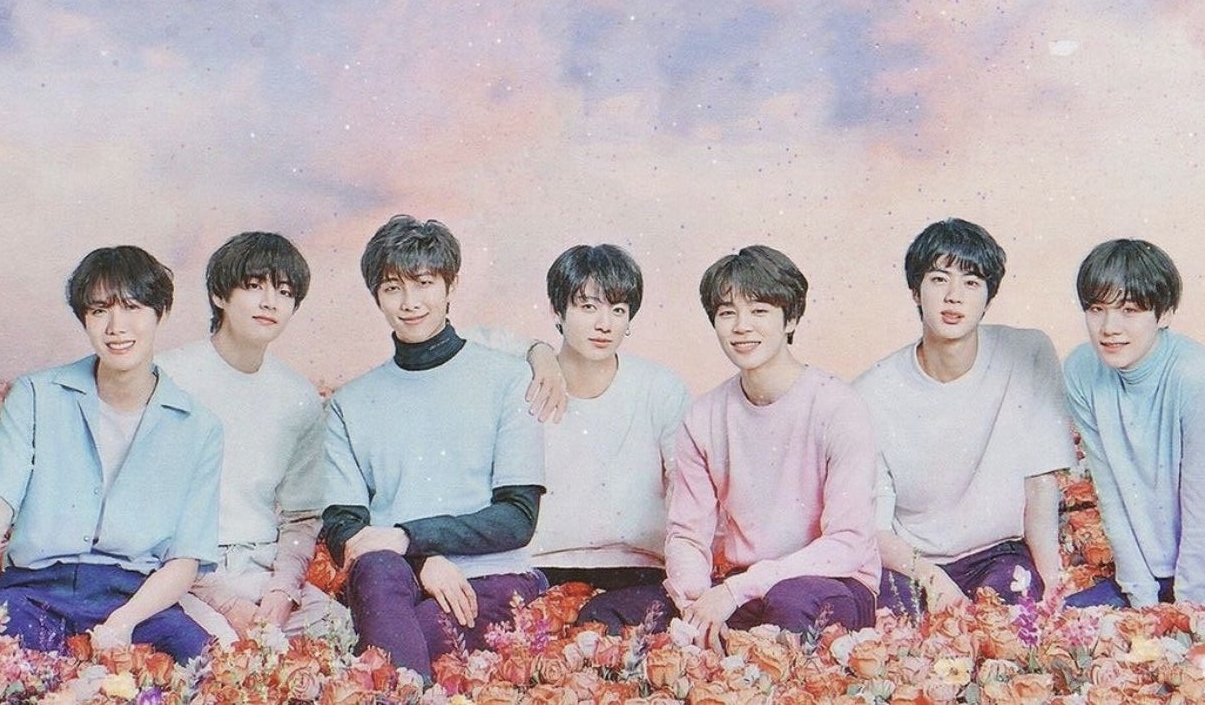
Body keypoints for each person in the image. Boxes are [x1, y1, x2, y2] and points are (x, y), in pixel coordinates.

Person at [0, 246, 222, 663]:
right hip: (34, 593)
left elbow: (186, 558)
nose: (116, 327)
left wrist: (122, 622)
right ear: (84, 317)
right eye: (100, 310)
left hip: (136, 600)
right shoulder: (35, 395)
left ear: (161, 312)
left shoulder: (199, 427)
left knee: (208, 666)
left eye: (133, 307)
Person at [320, 215, 546, 676]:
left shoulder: (507, 379)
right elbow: (343, 527)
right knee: (378, 574)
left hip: (490, 576)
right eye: (392, 288)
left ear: (450, 285)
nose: (410, 303)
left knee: (409, 638)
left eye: (424, 283)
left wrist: (408, 536)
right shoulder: (350, 403)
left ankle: (396, 689)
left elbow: (518, 518)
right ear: (376, 296)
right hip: (392, 577)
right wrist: (420, 558)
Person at [665, 245, 880, 649]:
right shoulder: (702, 416)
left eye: (759, 310)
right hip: (743, 585)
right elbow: (687, 535)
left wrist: (735, 591)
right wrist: (696, 606)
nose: (741, 327)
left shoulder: (838, 407)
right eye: (727, 313)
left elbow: (848, 542)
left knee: (790, 603)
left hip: (834, 582)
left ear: (791, 318)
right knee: (637, 614)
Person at [854, 219, 1074, 613]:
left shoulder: (1027, 354)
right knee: (891, 622)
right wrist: (933, 580)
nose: (954, 296)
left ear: (988, 297)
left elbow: (1040, 484)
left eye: (971, 283)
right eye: (939, 279)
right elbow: (874, 528)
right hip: (913, 562)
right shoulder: (869, 393)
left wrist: (1053, 583)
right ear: (915, 291)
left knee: (1010, 612)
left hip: (998, 554)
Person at [158, 232, 346, 643]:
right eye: (254, 285)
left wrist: (282, 592)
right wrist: (227, 604)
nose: (270, 302)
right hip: (180, 574)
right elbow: (148, 511)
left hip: (261, 571)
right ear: (219, 295)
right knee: (215, 652)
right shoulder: (167, 378)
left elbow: (302, 515)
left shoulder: (298, 397)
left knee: (339, 631)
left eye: (284, 291)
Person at [1063, 239, 1205, 608]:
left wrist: (1187, 610)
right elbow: (1110, 489)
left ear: (1166, 314)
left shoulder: (1199, 376)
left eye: (1128, 310)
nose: (1109, 327)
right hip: (1153, 571)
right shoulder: (1081, 369)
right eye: (1096, 309)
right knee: (1068, 617)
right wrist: (1139, 594)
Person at [528, 244, 690, 633]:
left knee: (604, 634)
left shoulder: (659, 388)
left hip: (639, 570)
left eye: (618, 310)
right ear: (557, 311)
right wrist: (535, 352)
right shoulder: (524, 385)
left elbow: (690, 491)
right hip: (539, 568)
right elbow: (469, 340)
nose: (605, 324)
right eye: (588, 307)